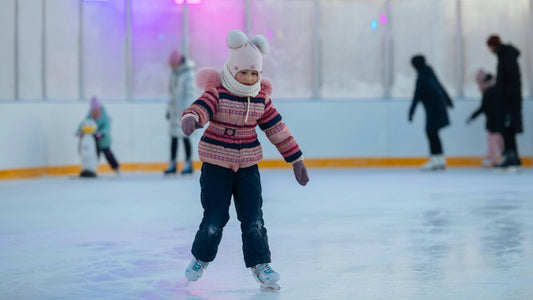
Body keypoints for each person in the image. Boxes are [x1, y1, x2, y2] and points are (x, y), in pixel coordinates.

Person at [180, 30, 309, 289]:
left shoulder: (260, 99)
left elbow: (277, 129)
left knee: (253, 218)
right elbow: (200, 107)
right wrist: (192, 119)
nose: (249, 78)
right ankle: (200, 258)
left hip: (248, 168)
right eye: (244, 72)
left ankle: (261, 264)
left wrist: (296, 159)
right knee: (215, 218)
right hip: (217, 166)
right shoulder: (218, 93)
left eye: (254, 73)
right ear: (232, 69)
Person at [408, 55, 454, 170]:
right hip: (437, 106)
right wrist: (448, 100)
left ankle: (435, 159)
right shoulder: (429, 73)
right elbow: (440, 85)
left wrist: (411, 111)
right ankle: (439, 159)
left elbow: (417, 95)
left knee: (431, 133)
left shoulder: (422, 76)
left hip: (433, 109)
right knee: (433, 133)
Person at [486, 35, 523, 170]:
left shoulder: (506, 57)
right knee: (508, 129)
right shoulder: (505, 56)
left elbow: (510, 81)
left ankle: (512, 157)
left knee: (508, 129)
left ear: (492, 46)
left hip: (509, 101)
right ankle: (511, 156)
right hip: (509, 99)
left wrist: (505, 98)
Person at [163, 49, 196, 175]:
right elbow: (171, 94)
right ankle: (172, 163)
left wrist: (188, 111)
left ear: (177, 63)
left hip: (183, 112)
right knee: (173, 138)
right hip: (174, 112)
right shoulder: (174, 74)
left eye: (172, 64)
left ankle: (188, 163)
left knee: (185, 137)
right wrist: (169, 110)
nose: (171, 67)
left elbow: (190, 94)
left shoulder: (188, 74)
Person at [466, 70, 504, 168]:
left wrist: (472, 117)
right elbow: (484, 107)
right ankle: (501, 157)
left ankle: (492, 159)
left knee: (493, 140)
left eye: (479, 82)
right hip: (496, 120)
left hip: (494, 121)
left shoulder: (490, 91)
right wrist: (472, 117)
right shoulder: (493, 89)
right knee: (498, 140)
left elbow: (484, 107)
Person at [76, 96, 120, 174]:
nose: (94, 112)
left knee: (108, 154)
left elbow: (107, 127)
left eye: (96, 110)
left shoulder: (104, 116)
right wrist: (79, 131)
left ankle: (116, 168)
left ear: (99, 109)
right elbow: (84, 123)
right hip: (94, 141)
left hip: (104, 141)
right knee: (94, 155)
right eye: (93, 111)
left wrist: (102, 133)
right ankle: (91, 169)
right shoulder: (90, 115)